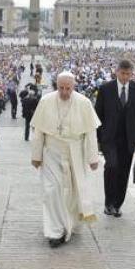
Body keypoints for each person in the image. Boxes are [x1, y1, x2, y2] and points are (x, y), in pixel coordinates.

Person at [30, 72, 101, 247]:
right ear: (56, 85)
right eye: (61, 88)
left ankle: (72, 223)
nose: (64, 92)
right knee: (52, 190)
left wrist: (93, 157)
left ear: (73, 86)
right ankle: (55, 231)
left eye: (68, 88)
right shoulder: (46, 101)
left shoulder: (84, 103)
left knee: (73, 192)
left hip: (75, 153)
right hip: (51, 152)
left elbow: (91, 133)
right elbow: (38, 131)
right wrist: (36, 155)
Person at [94, 58, 135, 218]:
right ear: (116, 72)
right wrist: (96, 138)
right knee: (112, 166)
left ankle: (117, 205)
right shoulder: (105, 89)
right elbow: (98, 115)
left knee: (123, 172)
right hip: (109, 138)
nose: (125, 77)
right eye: (122, 73)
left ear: (132, 74)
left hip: (128, 139)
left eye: (128, 74)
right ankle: (108, 202)